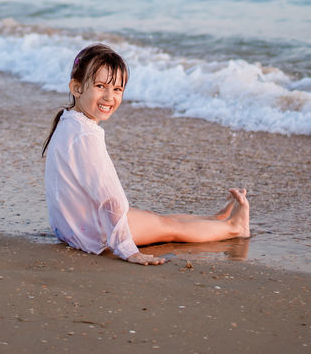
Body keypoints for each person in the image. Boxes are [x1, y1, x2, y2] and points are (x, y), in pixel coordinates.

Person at [43, 43, 250, 266]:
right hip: (93, 232)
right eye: (101, 86)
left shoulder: (68, 121)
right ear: (76, 87)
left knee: (156, 218)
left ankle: (214, 220)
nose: (109, 97)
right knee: (168, 227)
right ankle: (234, 228)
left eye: (117, 89)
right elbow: (111, 199)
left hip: (69, 226)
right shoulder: (86, 135)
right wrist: (127, 249)